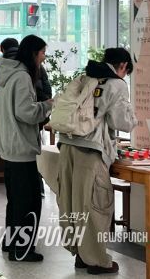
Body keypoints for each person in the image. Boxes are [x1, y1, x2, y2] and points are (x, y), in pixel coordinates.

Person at [57, 48, 136, 275]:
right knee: (93, 205)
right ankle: (97, 261)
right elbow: (121, 122)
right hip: (90, 150)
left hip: (67, 145)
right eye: (126, 71)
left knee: (71, 202)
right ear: (123, 66)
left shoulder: (86, 77)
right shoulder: (116, 83)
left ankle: (80, 255)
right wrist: (134, 118)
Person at [0, 34, 53, 262]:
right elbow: (25, 112)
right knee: (29, 203)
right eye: (42, 52)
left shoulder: (9, 74)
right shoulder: (22, 77)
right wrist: (47, 105)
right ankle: (23, 249)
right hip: (21, 148)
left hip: (11, 147)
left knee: (16, 201)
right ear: (33, 53)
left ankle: (11, 244)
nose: (44, 57)